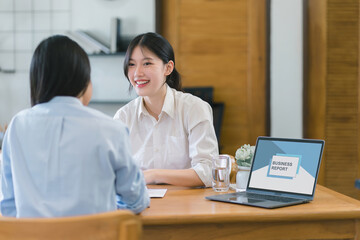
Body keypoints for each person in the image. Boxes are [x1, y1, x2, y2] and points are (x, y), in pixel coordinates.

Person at [0, 35, 149, 218]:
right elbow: (136, 202)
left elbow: (7, 205)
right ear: (84, 81)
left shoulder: (16, 126)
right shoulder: (111, 130)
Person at [113, 32, 219, 187]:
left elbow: (208, 172)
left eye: (147, 63)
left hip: (189, 205)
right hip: (141, 204)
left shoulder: (194, 108)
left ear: (168, 68)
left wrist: (154, 175)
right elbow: (115, 172)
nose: (137, 73)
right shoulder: (123, 117)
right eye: (131, 64)